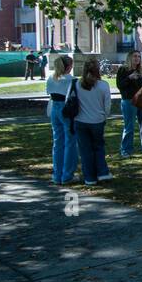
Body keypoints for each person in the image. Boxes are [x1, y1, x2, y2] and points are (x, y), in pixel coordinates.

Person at [73, 58, 113, 185]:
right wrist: (104, 116)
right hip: (97, 120)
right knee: (98, 147)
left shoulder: (77, 84)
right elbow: (107, 106)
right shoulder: (103, 85)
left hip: (80, 120)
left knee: (85, 150)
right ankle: (102, 172)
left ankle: (89, 177)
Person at [46, 55, 79, 185]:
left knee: (58, 142)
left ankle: (57, 174)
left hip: (54, 108)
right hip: (66, 110)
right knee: (70, 142)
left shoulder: (51, 78)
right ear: (69, 66)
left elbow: (48, 92)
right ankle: (67, 174)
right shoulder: (72, 80)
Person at [116, 51, 142, 158]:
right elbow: (120, 85)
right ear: (130, 58)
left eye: (139, 57)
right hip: (128, 101)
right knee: (129, 126)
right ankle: (126, 149)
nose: (137, 58)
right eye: (135, 56)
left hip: (141, 101)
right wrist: (129, 78)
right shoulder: (123, 69)